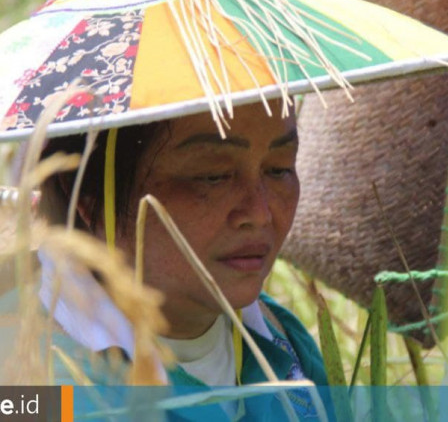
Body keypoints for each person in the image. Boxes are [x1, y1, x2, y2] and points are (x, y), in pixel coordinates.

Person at [37, 100, 330, 418]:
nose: (260, 213)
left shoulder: (282, 344)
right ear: (89, 198)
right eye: (213, 176)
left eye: (279, 169)